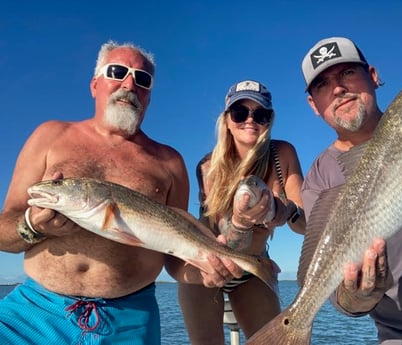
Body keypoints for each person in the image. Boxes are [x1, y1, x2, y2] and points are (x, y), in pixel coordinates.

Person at [0, 40, 240, 344]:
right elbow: (3, 230)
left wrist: (206, 273)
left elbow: (176, 257)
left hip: (130, 320)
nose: (130, 83)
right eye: (118, 71)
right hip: (33, 313)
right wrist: (31, 226)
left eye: (143, 79)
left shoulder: (170, 162)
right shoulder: (50, 136)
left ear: (149, 96)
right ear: (94, 84)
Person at [300, 36, 402, 344]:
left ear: (372, 76)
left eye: (347, 73)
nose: (337, 89)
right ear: (313, 105)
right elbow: (339, 299)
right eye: (322, 85)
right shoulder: (319, 177)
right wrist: (356, 297)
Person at [178, 80, 306, 344]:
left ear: (269, 120)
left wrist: (285, 210)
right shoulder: (207, 167)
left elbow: (305, 224)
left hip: (253, 269)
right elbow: (219, 236)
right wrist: (240, 222)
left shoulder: (283, 154)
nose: (250, 120)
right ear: (226, 120)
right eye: (240, 113)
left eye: (260, 114)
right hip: (206, 265)